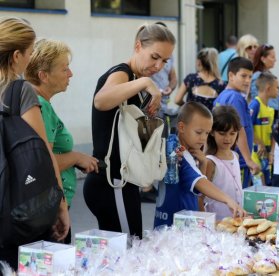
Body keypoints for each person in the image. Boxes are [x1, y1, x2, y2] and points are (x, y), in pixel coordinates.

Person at [84, 23, 174, 238]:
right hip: (111, 181)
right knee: (129, 252)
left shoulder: (134, 80)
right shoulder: (123, 73)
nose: (159, 66)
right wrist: (145, 82)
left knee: (126, 254)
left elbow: (133, 137)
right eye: (154, 57)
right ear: (137, 46)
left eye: (164, 61)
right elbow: (101, 100)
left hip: (122, 181)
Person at [0, 17, 69, 269]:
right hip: (17, 206)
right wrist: (60, 205)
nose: (30, 59)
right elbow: (43, 152)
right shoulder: (20, 90)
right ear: (17, 55)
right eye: (29, 52)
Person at [25, 39, 99, 244]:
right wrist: (76, 157)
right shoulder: (40, 106)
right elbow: (42, 162)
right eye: (65, 69)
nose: (70, 74)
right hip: (49, 209)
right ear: (43, 76)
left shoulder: (37, 102)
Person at [153, 102, 245, 227]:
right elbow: (200, 182)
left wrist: (202, 164)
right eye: (199, 132)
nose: (203, 138)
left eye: (206, 133)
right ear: (181, 127)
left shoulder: (174, 147)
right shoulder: (178, 153)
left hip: (171, 223)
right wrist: (229, 200)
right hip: (175, 228)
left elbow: (193, 186)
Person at [214, 57, 260, 188]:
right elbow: (239, 129)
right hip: (238, 161)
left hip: (225, 158)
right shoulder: (236, 98)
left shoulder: (222, 95)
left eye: (250, 77)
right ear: (231, 75)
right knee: (238, 199)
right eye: (243, 76)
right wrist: (248, 160)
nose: (247, 81)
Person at [204, 105, 243, 220]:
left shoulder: (235, 156)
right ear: (211, 132)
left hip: (236, 220)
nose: (228, 138)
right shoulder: (209, 161)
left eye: (232, 133)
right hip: (217, 222)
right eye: (222, 133)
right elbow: (200, 197)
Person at [249, 72, 279, 186]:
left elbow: (273, 133)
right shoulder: (255, 105)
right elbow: (247, 126)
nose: (278, 91)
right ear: (268, 88)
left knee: (267, 185)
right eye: (276, 88)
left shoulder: (270, 109)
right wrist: (259, 143)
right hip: (255, 153)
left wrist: (271, 152)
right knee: (259, 187)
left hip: (266, 154)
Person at [250, 44, 279, 111]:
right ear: (263, 59)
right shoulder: (257, 77)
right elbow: (257, 99)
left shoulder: (268, 74)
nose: (275, 60)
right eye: (272, 57)